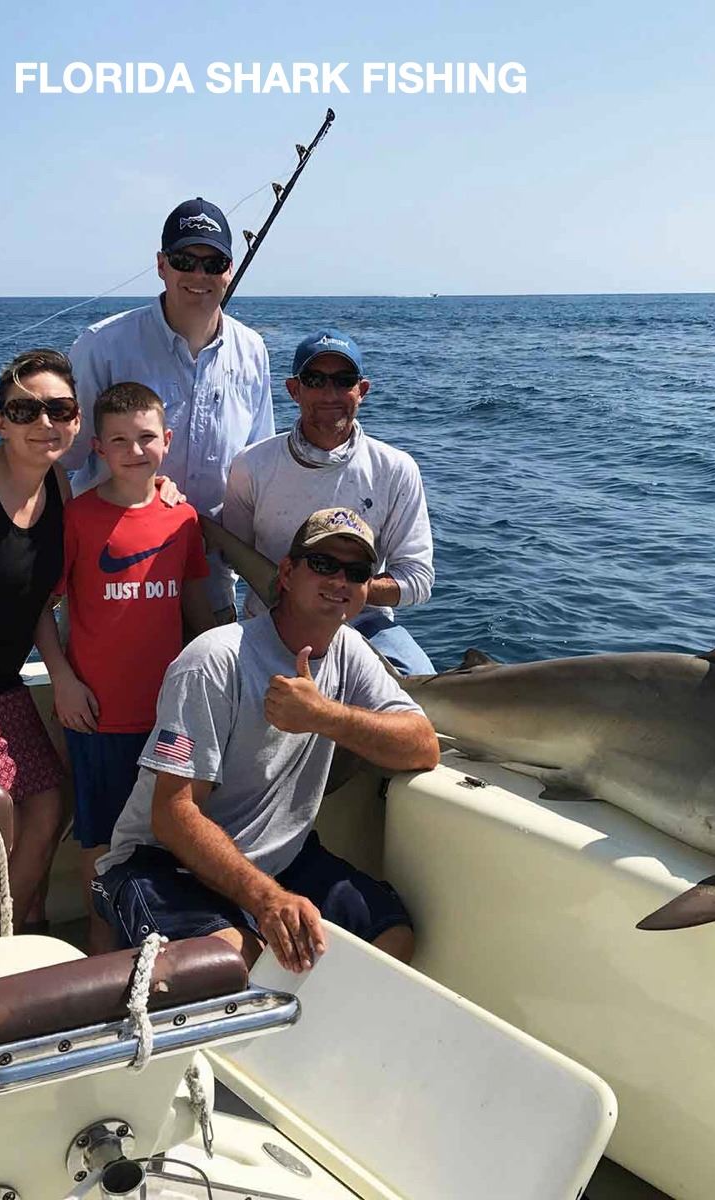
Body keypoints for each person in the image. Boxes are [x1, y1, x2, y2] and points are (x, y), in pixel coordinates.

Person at [91, 507, 440, 973]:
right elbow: (173, 814)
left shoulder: (351, 651)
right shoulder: (215, 660)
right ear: (287, 573)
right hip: (165, 862)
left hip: (281, 857)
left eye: (356, 572)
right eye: (323, 564)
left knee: (392, 939)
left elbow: (423, 746)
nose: (339, 580)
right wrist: (267, 900)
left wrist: (324, 716)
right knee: (233, 963)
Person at [36, 382, 212, 954]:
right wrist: (62, 681)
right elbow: (42, 608)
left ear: (168, 440)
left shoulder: (183, 518)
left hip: (170, 718)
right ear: (97, 447)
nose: (134, 451)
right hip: (100, 716)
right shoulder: (78, 518)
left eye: (145, 438)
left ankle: (161, 946)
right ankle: (101, 946)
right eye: (119, 440)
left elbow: (195, 611)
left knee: (171, 833)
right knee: (101, 843)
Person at [64, 197, 274, 619]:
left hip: (211, 580)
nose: (199, 275)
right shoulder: (101, 345)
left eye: (213, 263)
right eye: (184, 260)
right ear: (161, 265)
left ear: (230, 270)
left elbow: (258, 470)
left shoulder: (252, 349)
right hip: (110, 577)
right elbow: (63, 459)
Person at [0, 349, 81, 930]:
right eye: (25, 411)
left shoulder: (58, 485)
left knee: (52, 803)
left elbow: (38, 602)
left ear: (77, 420)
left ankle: (14, 931)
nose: (43, 423)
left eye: (60, 409)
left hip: (2, 691)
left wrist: (62, 675)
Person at [222, 330, 436, 675]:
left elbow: (418, 580)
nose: (329, 393)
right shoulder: (251, 465)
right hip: (271, 619)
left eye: (343, 380)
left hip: (364, 621)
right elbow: (230, 560)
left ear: (362, 390)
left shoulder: (396, 469)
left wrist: (342, 590)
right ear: (294, 389)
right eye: (315, 380)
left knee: (421, 681)